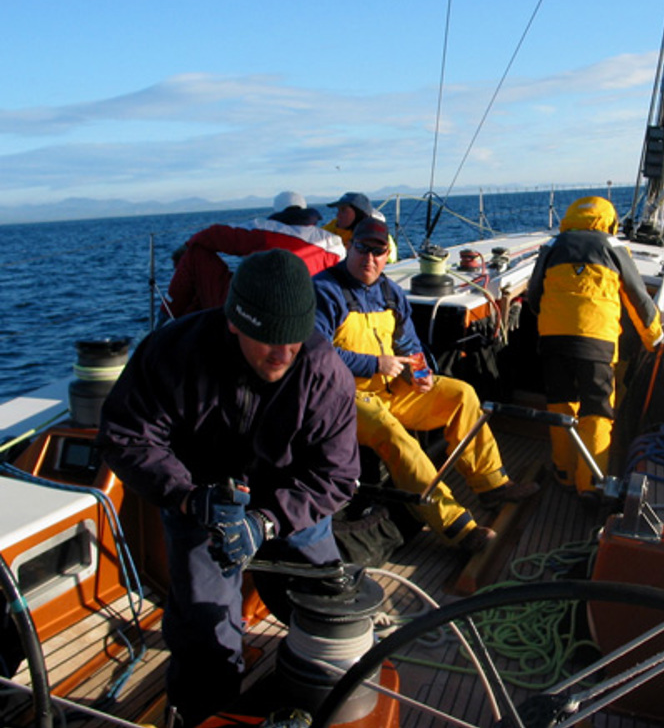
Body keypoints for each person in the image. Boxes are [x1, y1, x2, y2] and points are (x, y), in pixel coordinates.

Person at [98, 249, 360, 725]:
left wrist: (267, 521)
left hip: (289, 502)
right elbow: (126, 435)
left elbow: (337, 475)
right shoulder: (172, 351)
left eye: (293, 340)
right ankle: (205, 714)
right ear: (235, 322)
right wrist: (186, 497)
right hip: (199, 503)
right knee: (205, 633)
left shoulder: (326, 374)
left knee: (331, 611)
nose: (282, 354)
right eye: (268, 339)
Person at [313, 217, 536, 553]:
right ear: (349, 247)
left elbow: (408, 343)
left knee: (462, 394)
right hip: (343, 397)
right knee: (392, 433)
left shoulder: (389, 291)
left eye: (378, 251)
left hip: (388, 389)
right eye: (362, 248)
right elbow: (316, 353)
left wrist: (420, 374)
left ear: (387, 255)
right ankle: (457, 528)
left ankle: (492, 485)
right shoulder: (325, 291)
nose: (369, 258)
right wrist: (375, 364)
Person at [527, 196, 664, 498]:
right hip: (596, 341)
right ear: (609, 222)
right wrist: (654, 339)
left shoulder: (551, 246)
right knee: (596, 411)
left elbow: (534, 295)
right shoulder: (613, 247)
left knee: (561, 406)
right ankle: (591, 484)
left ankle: (563, 473)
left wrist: (552, 321)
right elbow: (638, 299)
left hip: (553, 340)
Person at [163, 191, 346, 319]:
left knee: (195, 253)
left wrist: (185, 247)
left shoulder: (262, 230)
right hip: (306, 310)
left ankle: (169, 316)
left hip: (250, 309)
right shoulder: (332, 243)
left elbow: (212, 235)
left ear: (277, 210)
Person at [324, 191, 398, 262]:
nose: (338, 215)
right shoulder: (333, 226)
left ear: (358, 213)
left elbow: (390, 258)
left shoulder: (376, 233)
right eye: (338, 210)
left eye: (343, 210)